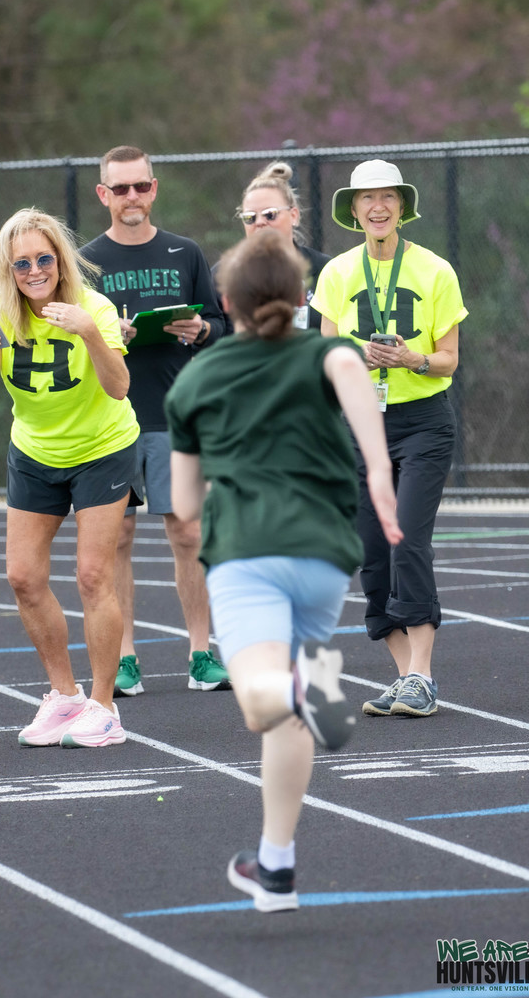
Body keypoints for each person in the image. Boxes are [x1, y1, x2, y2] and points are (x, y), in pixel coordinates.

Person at [165, 231, 402, 913]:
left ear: (224, 302)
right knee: (287, 720)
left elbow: (183, 505)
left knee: (264, 704)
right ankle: (275, 866)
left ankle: (307, 686)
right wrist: (379, 475)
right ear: (301, 296)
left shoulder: (197, 379)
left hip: (246, 554)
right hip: (325, 557)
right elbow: (353, 378)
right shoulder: (328, 353)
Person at [0, 208, 140, 748]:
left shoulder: (94, 307)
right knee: (23, 577)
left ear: (61, 260)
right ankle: (64, 696)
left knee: (93, 576)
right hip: (35, 452)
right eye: (22, 264)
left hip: (101, 449)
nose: (34, 270)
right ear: (7, 270)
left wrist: (90, 334)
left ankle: (105, 708)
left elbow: (119, 387)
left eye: (44, 259)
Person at [312, 159, 468, 717]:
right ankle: (407, 679)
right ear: (353, 210)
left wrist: (411, 359)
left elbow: (449, 359)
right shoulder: (337, 273)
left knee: (408, 541)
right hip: (359, 427)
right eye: (366, 198)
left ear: (402, 206)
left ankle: (422, 674)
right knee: (372, 556)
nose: (377, 207)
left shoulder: (436, 270)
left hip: (423, 422)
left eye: (388, 197)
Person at [80, 145, 229, 698]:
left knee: (188, 532)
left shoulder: (184, 252)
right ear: (104, 194)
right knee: (117, 537)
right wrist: (104, 335)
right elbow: (68, 336)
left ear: (154, 189)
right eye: (120, 188)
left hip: (174, 415)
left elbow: (219, 323)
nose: (132, 197)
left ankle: (200, 655)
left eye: (140, 186)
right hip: (109, 418)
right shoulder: (85, 263)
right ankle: (125, 659)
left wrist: (201, 330)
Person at [215, 160, 330, 332]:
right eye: (250, 217)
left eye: (270, 214)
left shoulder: (326, 270)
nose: (260, 222)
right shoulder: (224, 274)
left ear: (294, 215)